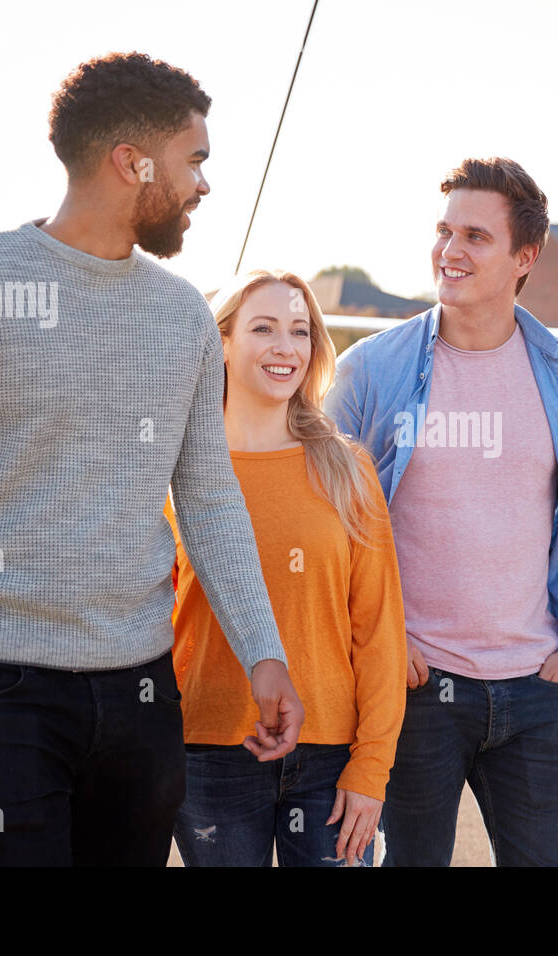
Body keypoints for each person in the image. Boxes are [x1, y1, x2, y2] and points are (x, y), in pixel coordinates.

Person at [0, 52, 304, 866]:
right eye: (194, 160)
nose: (203, 184)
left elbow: (208, 497)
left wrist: (265, 652)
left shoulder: (183, 318)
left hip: (142, 687)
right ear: (133, 162)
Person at [325, 156, 558, 866]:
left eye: (476, 237)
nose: (450, 251)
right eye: (443, 230)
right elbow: (330, 520)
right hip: (417, 686)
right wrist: (386, 639)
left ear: (525, 256)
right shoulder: (372, 369)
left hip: (536, 690)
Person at [166, 270, 405, 867]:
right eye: (264, 328)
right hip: (208, 749)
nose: (286, 347)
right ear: (219, 342)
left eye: (300, 331)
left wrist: (371, 769)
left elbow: (379, 631)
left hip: (331, 757)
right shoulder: (176, 473)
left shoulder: (347, 470)